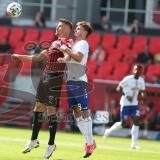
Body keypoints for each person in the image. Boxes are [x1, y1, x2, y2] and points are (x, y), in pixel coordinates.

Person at [12, 18, 72, 159]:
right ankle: (33, 140)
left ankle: (51, 144)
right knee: (38, 107)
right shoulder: (53, 44)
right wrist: (19, 56)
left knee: (51, 110)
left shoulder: (67, 42)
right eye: (57, 26)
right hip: (45, 77)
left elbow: (68, 53)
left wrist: (65, 59)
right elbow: (38, 58)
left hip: (55, 78)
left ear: (67, 29)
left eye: (60, 26)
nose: (57, 28)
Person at [58, 21, 96, 158]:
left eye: (78, 28)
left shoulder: (83, 44)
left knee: (85, 112)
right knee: (75, 113)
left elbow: (79, 58)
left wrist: (66, 49)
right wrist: (63, 59)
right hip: (70, 81)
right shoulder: (75, 44)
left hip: (80, 82)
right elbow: (69, 57)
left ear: (85, 31)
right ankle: (90, 142)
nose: (75, 30)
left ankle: (90, 142)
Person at [103, 64, 145, 149]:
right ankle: (108, 131)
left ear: (141, 72)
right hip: (125, 103)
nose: (137, 71)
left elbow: (142, 91)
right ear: (133, 70)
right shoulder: (128, 79)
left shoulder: (141, 80)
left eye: (139, 70)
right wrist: (126, 95)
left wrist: (143, 95)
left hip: (134, 104)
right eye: (135, 69)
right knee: (123, 123)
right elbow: (118, 89)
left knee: (136, 121)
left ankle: (133, 144)